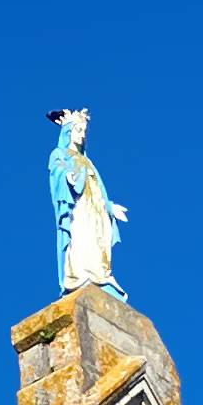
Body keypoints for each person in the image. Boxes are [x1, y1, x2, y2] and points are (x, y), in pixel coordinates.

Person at [46, 108, 130, 295]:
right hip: (78, 205)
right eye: (78, 130)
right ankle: (81, 275)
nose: (82, 135)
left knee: (99, 239)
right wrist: (67, 176)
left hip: (96, 208)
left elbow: (98, 189)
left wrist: (109, 207)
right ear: (68, 132)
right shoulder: (59, 154)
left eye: (84, 131)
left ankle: (100, 275)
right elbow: (57, 171)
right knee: (81, 236)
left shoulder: (87, 161)